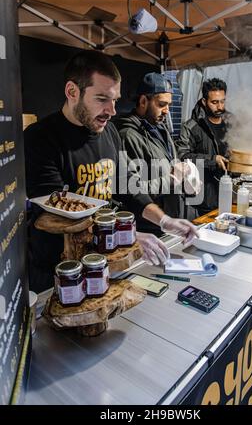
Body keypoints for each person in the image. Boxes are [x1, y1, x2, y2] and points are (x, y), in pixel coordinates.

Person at [24, 51, 198, 292]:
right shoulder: (40, 138)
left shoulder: (110, 133)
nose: (112, 110)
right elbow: (56, 213)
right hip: (59, 272)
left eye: (114, 100)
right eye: (102, 99)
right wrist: (125, 237)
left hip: (101, 261)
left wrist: (164, 220)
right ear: (72, 92)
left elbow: (129, 187)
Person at [114, 72, 200, 234]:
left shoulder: (160, 129)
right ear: (143, 101)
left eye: (168, 104)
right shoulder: (128, 136)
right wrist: (172, 180)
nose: (167, 110)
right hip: (149, 227)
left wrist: (187, 180)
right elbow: (133, 190)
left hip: (170, 222)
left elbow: (169, 165)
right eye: (161, 104)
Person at [176, 78, 230, 215]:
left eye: (223, 101)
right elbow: (182, 157)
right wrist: (213, 160)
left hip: (230, 193)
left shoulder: (232, 122)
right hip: (204, 197)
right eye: (214, 102)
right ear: (204, 101)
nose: (220, 107)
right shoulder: (191, 127)